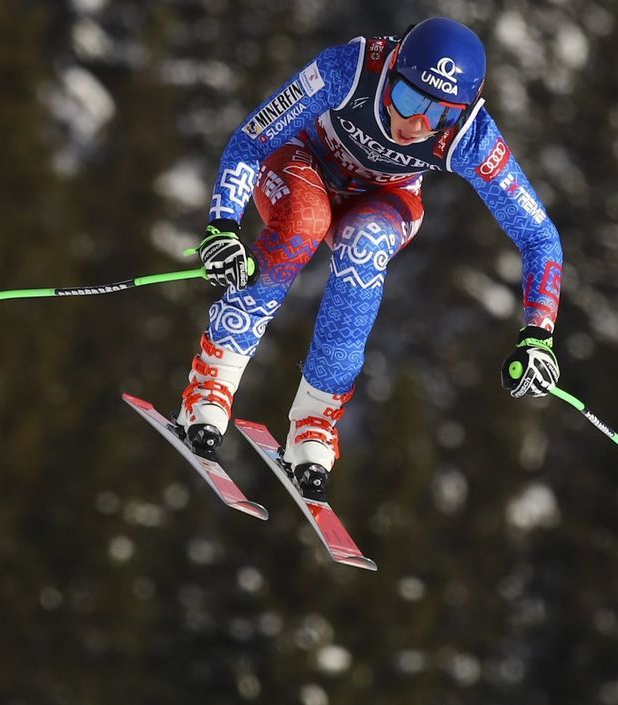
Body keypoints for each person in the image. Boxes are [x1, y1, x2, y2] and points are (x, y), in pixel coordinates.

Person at [176, 17, 563, 497]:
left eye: (439, 114)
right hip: (303, 163)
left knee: (366, 246)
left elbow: (539, 235)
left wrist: (538, 334)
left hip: (382, 198)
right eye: (409, 99)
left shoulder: (471, 136)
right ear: (393, 69)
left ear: (462, 111)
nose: (416, 124)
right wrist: (223, 225)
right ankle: (212, 381)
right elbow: (252, 140)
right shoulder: (351, 70)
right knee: (303, 223)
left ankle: (316, 420)